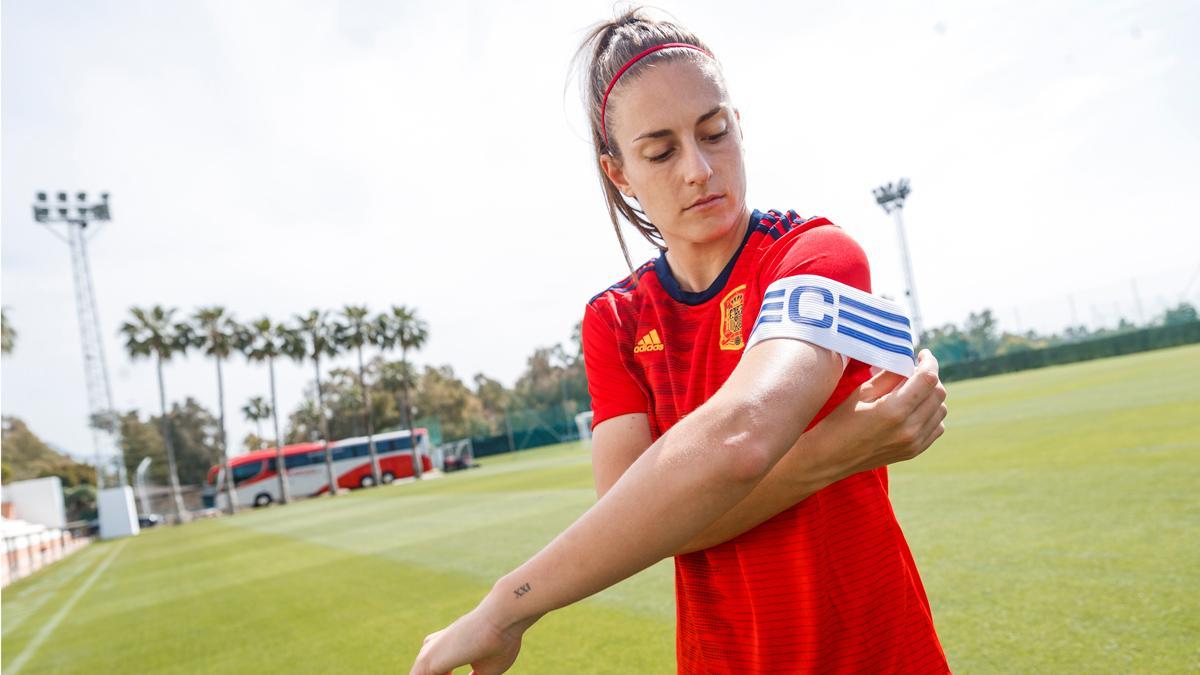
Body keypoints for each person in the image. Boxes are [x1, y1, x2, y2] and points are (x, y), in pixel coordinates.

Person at [411, 9, 949, 674]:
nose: (698, 168)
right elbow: (632, 522)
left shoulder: (815, 254)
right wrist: (829, 453)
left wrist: (504, 606)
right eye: (661, 151)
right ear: (620, 173)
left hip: (876, 654)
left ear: (739, 128)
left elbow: (739, 438)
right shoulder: (614, 319)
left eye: (714, 132)